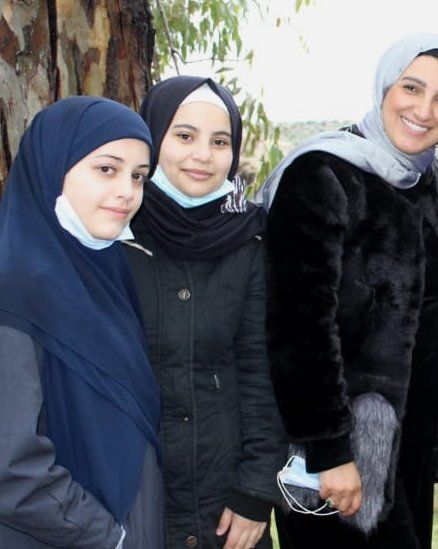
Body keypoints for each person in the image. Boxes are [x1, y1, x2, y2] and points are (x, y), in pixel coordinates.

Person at [259, 34, 438, 548]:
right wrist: (330, 450)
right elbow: (298, 326)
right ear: (384, 88)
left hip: (414, 443)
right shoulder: (322, 174)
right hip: (343, 453)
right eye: (412, 88)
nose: (425, 110)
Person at [124, 76, 286, 548]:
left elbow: (264, 373)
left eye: (220, 141)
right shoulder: (116, 234)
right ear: (152, 138)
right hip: (135, 502)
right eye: (184, 136)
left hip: (227, 509)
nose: (202, 155)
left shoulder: (252, 240)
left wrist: (256, 492)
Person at [0, 96, 162, 548]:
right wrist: (109, 537)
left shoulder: (103, 272)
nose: (127, 191)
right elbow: (11, 465)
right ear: (54, 165)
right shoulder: (14, 287)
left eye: (138, 176)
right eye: (106, 169)